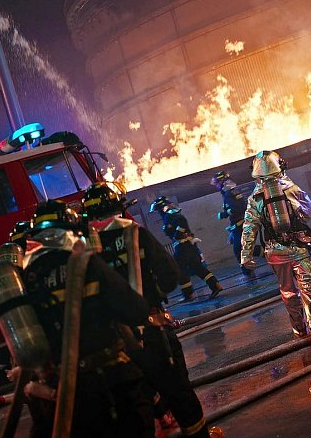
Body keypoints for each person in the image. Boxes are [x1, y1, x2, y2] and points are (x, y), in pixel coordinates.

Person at [82, 182, 214, 438]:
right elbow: (170, 275)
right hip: (152, 332)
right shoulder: (136, 234)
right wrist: (154, 297)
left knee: (134, 409)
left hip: (114, 347)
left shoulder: (82, 249)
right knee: (180, 394)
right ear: (117, 207)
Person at [20, 199, 153, 437]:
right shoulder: (86, 263)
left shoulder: (27, 278)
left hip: (63, 393)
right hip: (111, 382)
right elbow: (135, 311)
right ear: (71, 230)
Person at [240, 150, 311, 348]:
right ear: (280, 166)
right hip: (299, 245)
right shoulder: (291, 188)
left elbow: (249, 228)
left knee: (288, 292)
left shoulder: (254, 199)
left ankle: (299, 329)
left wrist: (246, 256)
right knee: (309, 288)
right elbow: (309, 211)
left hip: (275, 252)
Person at [151, 196, 224, 301]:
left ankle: (189, 295)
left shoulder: (170, 214)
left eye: (158, 210)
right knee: (197, 267)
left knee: (180, 269)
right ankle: (216, 286)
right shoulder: (171, 214)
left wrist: (177, 234)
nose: (158, 213)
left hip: (182, 247)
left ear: (161, 208)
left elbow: (181, 222)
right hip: (188, 246)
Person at [210, 170, 255, 276]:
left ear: (222, 182)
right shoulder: (232, 191)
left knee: (239, 249)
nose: (216, 186)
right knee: (243, 248)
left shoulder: (228, 193)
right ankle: (248, 270)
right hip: (239, 224)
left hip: (240, 225)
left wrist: (223, 214)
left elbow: (235, 209)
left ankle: (248, 271)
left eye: (217, 183)